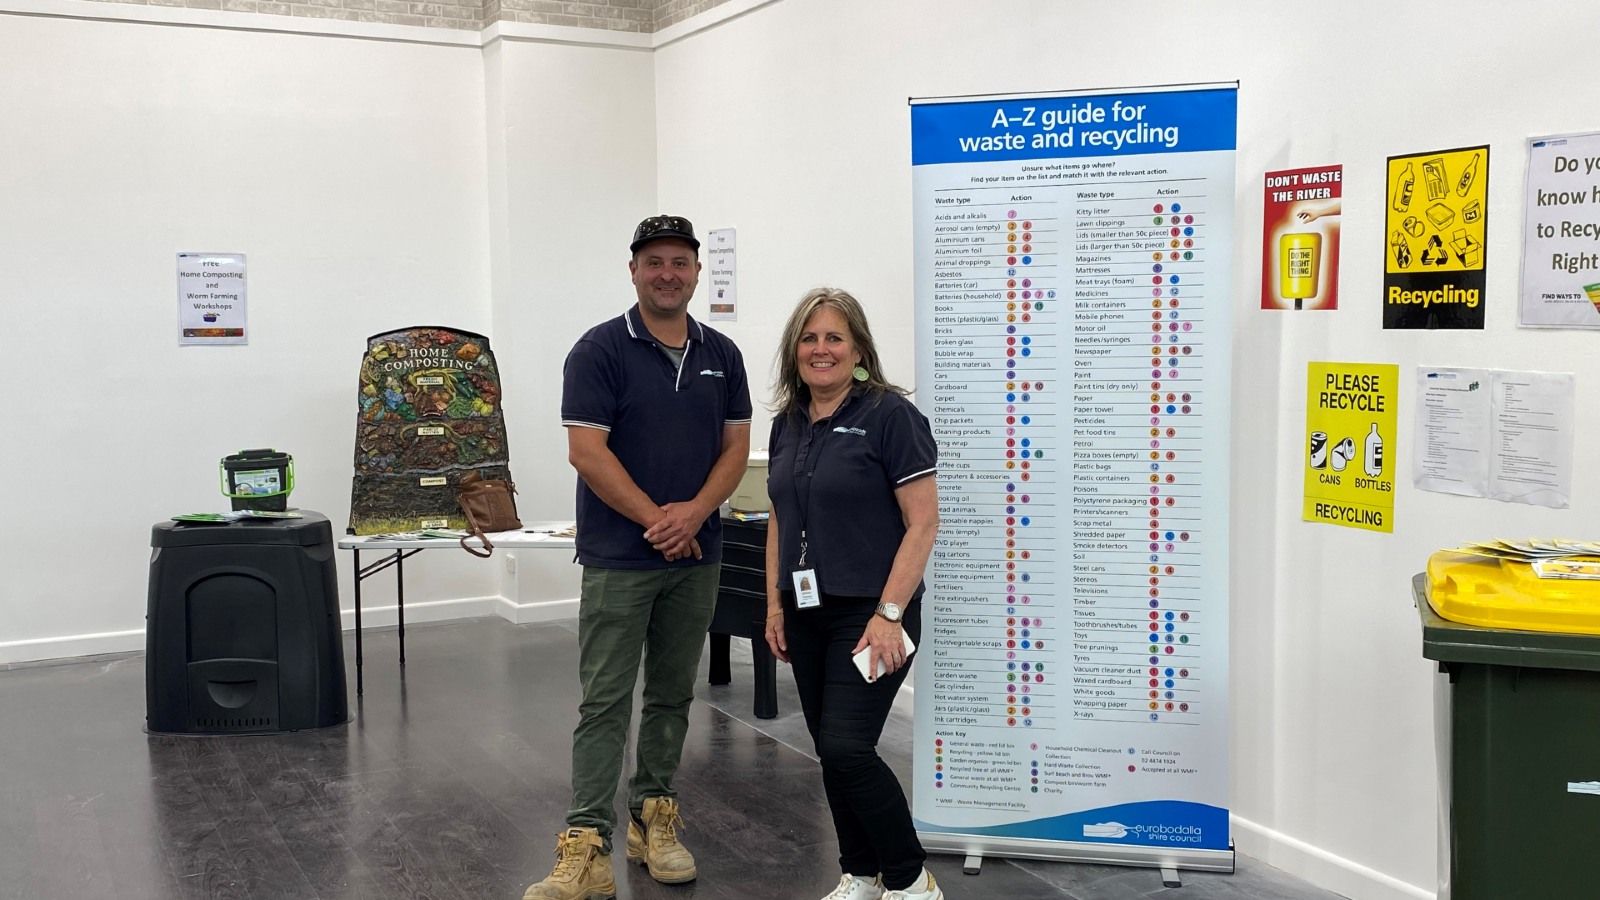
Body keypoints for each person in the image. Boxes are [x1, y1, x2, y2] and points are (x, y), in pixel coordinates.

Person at [525, 214, 752, 900]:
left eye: (679, 263)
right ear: (633, 271)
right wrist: (661, 521)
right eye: (653, 262)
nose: (667, 274)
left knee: (672, 695)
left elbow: (735, 448)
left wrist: (694, 516)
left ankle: (652, 819)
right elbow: (586, 452)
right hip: (621, 558)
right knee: (604, 702)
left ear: (695, 273)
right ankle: (587, 845)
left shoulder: (724, 353)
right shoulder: (598, 351)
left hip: (697, 556)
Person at [763, 288, 943, 900]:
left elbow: (923, 523)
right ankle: (860, 874)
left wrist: (890, 614)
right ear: (795, 352)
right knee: (828, 749)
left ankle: (910, 879)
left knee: (847, 746)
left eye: (834, 337)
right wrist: (773, 604)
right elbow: (780, 520)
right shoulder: (787, 423)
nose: (821, 349)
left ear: (859, 348)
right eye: (809, 339)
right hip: (807, 608)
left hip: (873, 613)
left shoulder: (891, 417)